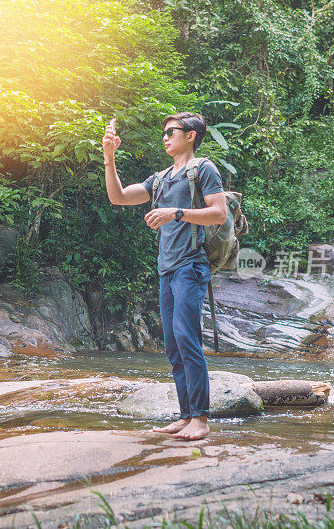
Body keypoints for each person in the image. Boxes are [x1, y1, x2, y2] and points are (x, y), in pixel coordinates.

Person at [101, 113, 227, 441]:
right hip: (167, 270)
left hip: (191, 266)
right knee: (173, 345)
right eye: (164, 133)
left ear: (191, 136)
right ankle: (187, 417)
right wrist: (109, 157)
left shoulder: (203, 169)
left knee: (187, 338)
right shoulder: (159, 179)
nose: (165, 137)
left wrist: (177, 212)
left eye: (171, 132)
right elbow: (118, 197)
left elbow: (218, 213)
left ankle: (201, 419)